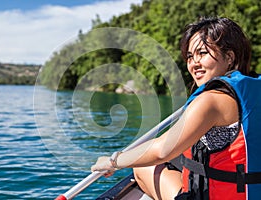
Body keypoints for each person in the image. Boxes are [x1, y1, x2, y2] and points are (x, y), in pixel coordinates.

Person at [91, 17, 261, 200]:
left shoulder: (212, 100)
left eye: (202, 53)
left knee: (142, 167)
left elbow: (162, 150)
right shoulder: (251, 89)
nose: (194, 64)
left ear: (229, 57)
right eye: (189, 56)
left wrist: (113, 161)